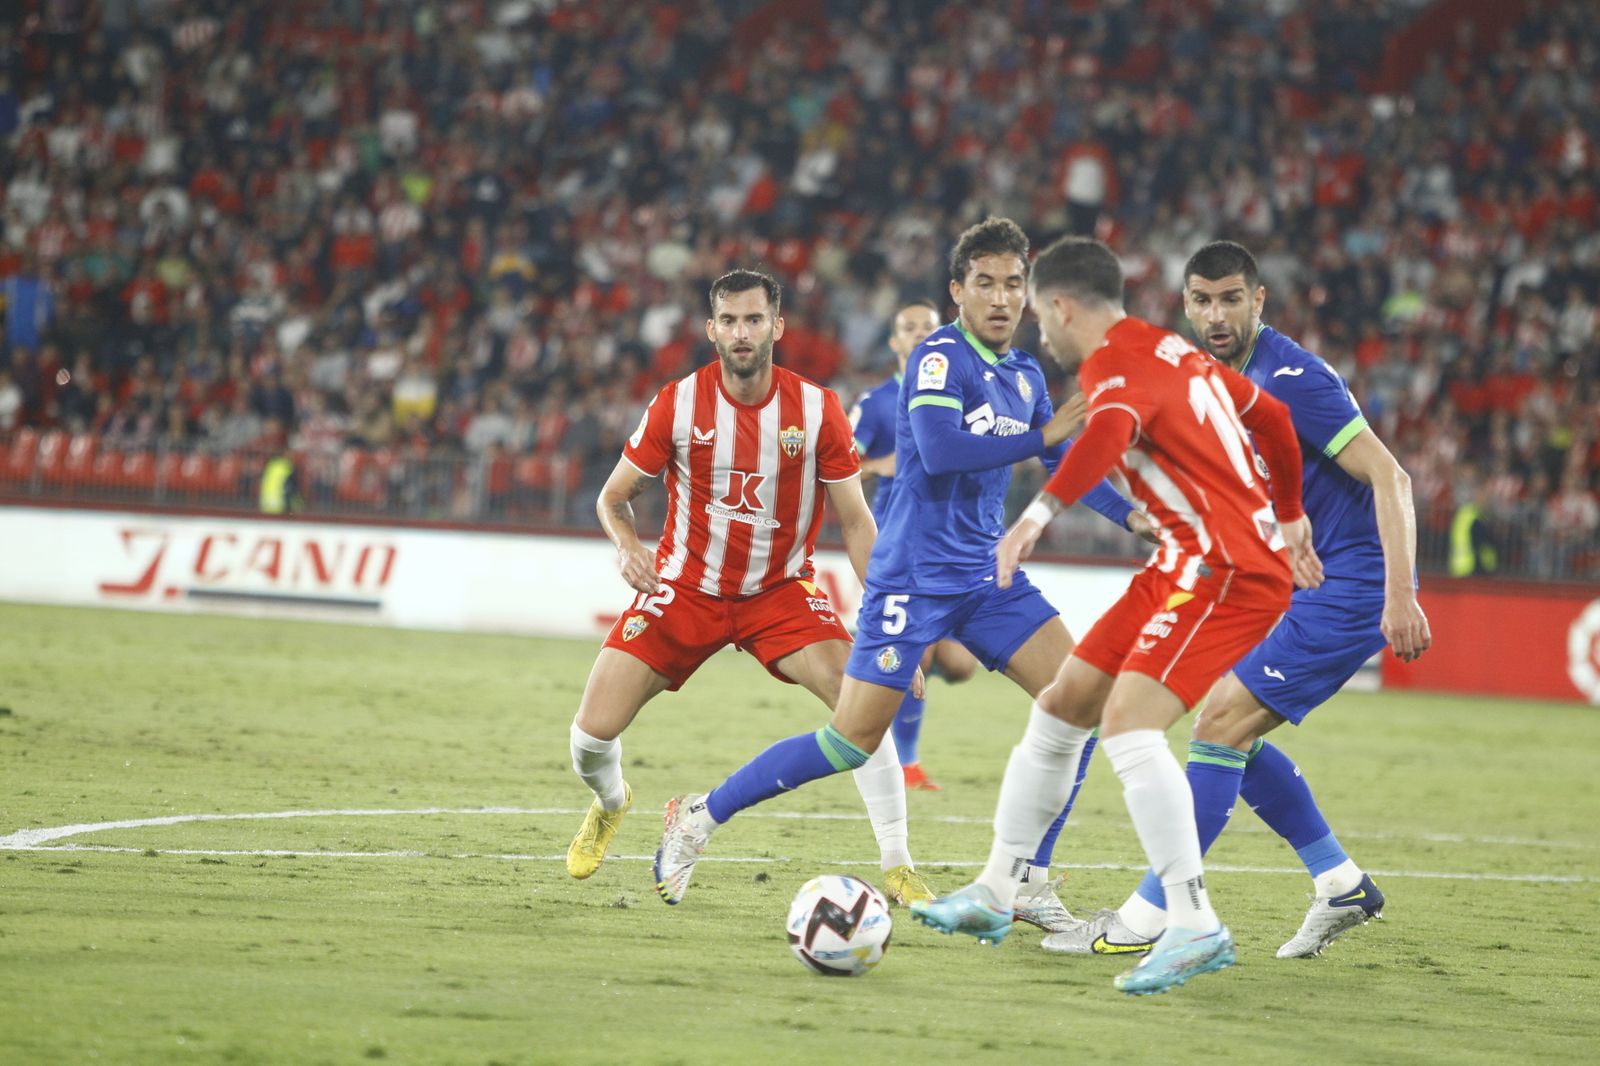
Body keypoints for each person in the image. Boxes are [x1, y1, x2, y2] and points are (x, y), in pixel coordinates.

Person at [651, 218, 1152, 930]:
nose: (1002, 297)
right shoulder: (940, 358)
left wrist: (1129, 515)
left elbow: (1062, 463)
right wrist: (1046, 433)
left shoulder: (1026, 372)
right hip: (911, 579)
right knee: (849, 740)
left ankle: (1030, 881)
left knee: (1081, 702)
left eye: (1015, 283)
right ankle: (701, 815)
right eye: (985, 282)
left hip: (985, 576)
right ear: (958, 291)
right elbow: (944, 450)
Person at [910, 236, 1322, 997]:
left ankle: (1194, 924)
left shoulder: (1112, 368)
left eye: (1038, 312)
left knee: (1130, 724)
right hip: (1182, 561)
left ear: (1063, 306)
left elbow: (1105, 434)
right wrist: (1290, 515)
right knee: (1065, 702)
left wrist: (1036, 515)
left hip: (1224, 571)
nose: (1038, 329)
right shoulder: (1171, 351)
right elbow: (1273, 420)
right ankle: (997, 891)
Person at [1043, 240, 1432, 961]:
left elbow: (1391, 477)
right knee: (1227, 725)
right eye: (1200, 300)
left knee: (1219, 722)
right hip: (1286, 577)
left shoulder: (1294, 377)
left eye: (1229, 299)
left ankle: (1150, 914)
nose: (1214, 315)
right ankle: (1339, 881)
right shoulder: (1206, 376)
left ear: (1258, 301)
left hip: (1350, 579)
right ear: (1184, 303)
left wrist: (1400, 594)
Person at [564, 268, 934, 907]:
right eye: (730, 320)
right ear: (711, 330)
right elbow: (613, 496)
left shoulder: (816, 409)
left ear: (777, 327)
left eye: (754, 319)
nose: (742, 332)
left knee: (865, 703)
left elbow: (855, 521)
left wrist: (888, 625)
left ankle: (898, 865)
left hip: (780, 592)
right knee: (591, 735)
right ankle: (612, 800)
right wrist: (627, 547)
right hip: (684, 588)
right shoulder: (677, 403)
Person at [850, 297, 981, 792]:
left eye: (930, 326)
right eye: (910, 328)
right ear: (894, 341)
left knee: (961, 664)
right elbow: (841, 464)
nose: (921, 334)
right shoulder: (879, 401)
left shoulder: (961, 392)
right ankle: (904, 761)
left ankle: (877, 671)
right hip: (896, 541)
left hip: (947, 542)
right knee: (919, 654)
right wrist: (881, 465)